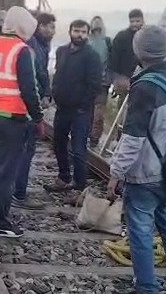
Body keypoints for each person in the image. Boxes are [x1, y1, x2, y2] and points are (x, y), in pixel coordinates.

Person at [106, 25, 166, 294]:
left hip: (145, 173)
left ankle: (146, 287)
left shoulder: (145, 86)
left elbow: (133, 139)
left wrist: (116, 172)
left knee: (141, 231)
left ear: (139, 51)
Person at [0, 6, 43, 238]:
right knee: (6, 173)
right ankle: (0, 222)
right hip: (12, 119)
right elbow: (29, 89)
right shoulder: (21, 50)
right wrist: (38, 117)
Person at [44, 19, 102, 199]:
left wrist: (83, 105)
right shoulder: (62, 51)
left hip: (81, 111)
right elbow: (58, 76)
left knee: (78, 148)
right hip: (63, 108)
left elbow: (94, 84)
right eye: (76, 31)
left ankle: (79, 186)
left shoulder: (92, 56)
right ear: (70, 32)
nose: (80, 35)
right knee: (59, 143)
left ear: (87, 34)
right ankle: (63, 177)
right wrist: (55, 94)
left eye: (83, 32)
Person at [13, 11, 55, 210]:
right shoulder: (31, 46)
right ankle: (19, 193)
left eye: (53, 27)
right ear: (38, 26)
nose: (52, 30)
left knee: (22, 150)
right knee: (26, 150)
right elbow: (35, 76)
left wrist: (47, 92)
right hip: (27, 106)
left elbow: (43, 73)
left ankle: (14, 190)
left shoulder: (41, 45)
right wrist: (39, 105)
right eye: (48, 26)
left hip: (26, 104)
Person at [108, 8, 144, 107]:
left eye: (137, 21)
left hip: (142, 78)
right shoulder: (122, 36)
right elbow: (114, 59)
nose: (135, 24)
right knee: (123, 106)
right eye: (132, 21)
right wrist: (116, 79)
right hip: (124, 78)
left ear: (142, 20)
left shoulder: (146, 36)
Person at [87, 15, 112, 147]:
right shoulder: (86, 41)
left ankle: (94, 139)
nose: (96, 24)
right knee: (87, 112)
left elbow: (112, 61)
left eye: (98, 22)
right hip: (87, 83)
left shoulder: (107, 41)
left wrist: (111, 78)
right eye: (94, 22)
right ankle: (86, 135)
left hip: (102, 83)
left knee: (98, 114)